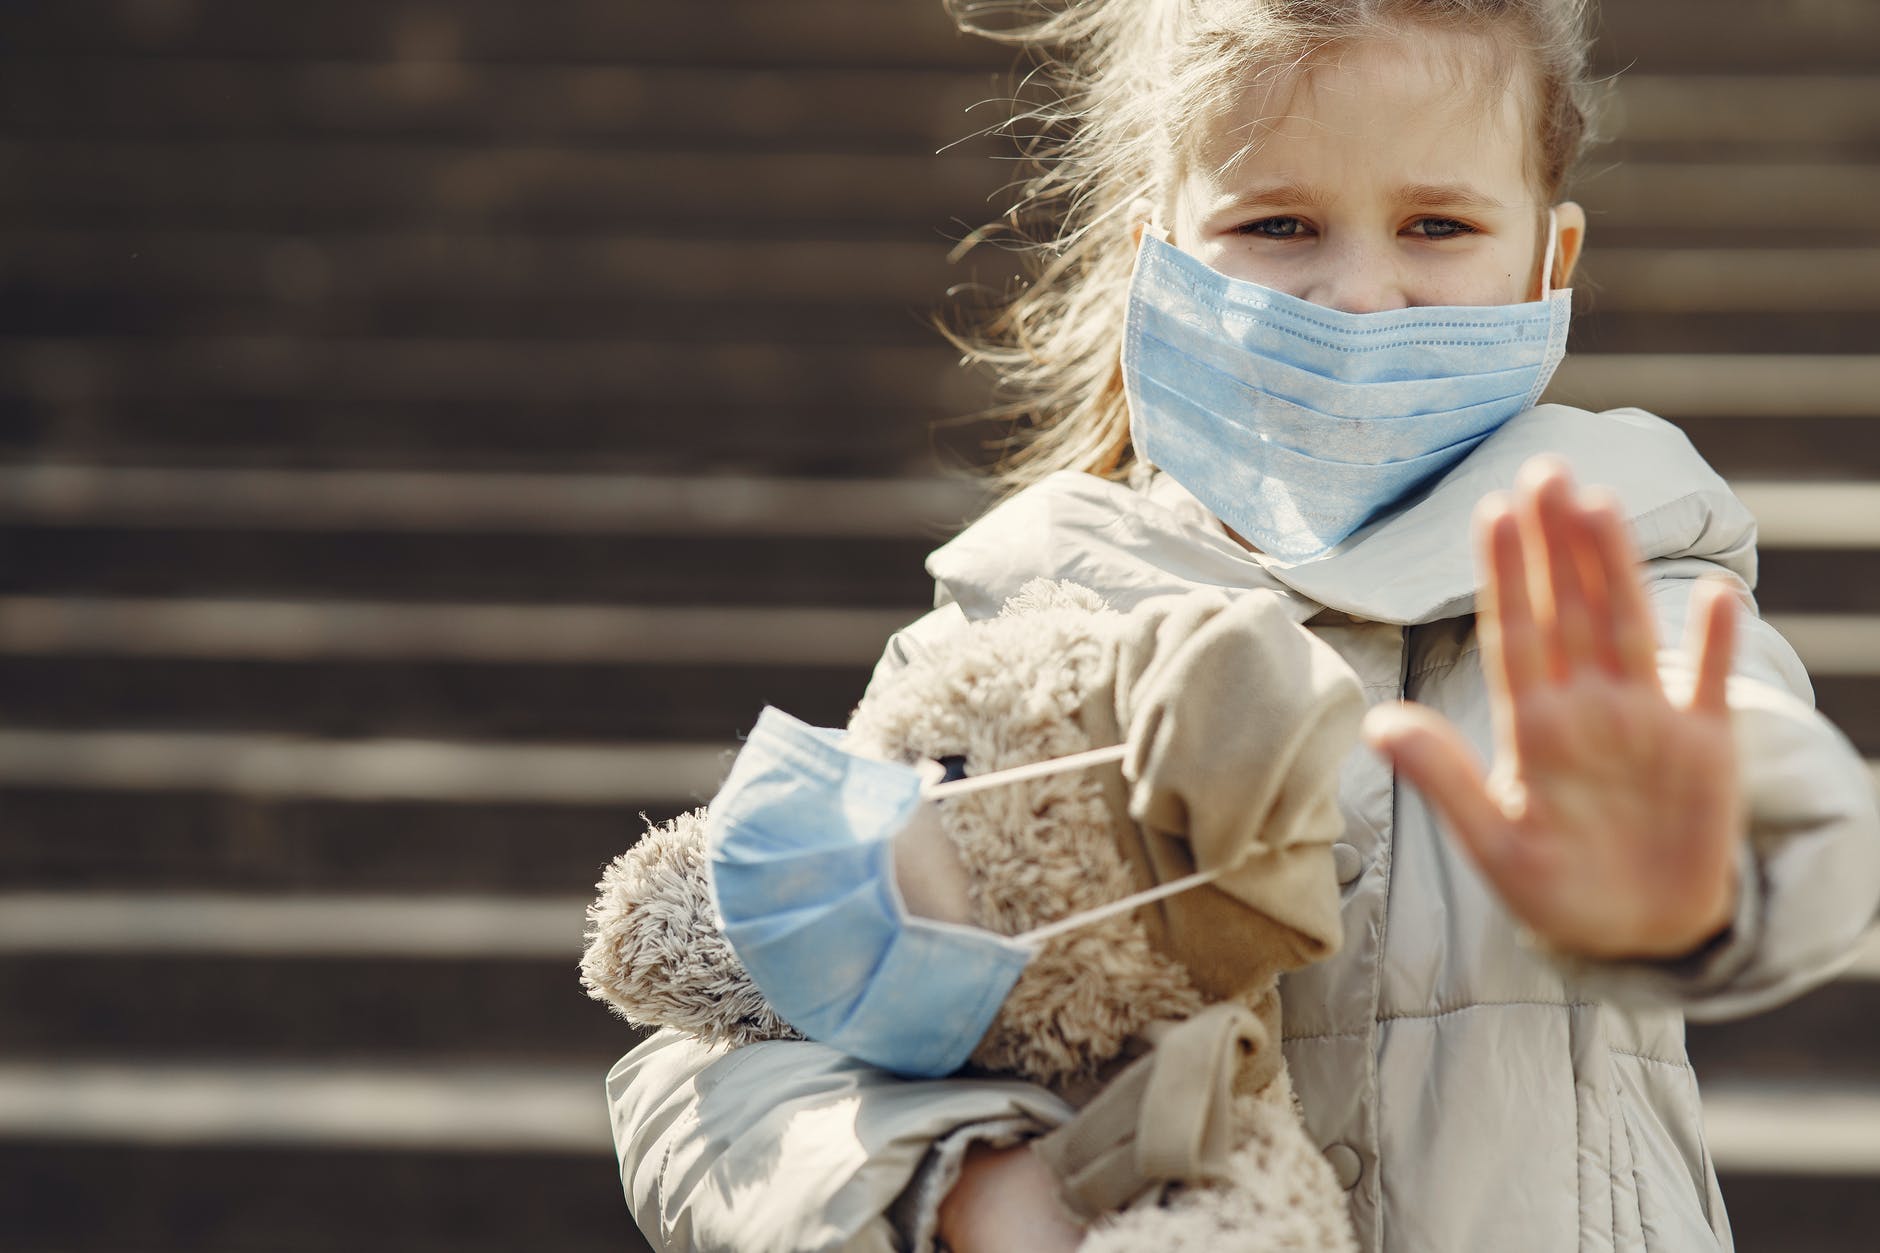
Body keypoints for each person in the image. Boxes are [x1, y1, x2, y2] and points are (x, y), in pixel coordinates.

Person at [604, 2, 1880, 1249]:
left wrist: (1702, 847)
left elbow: (1737, 735)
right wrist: (961, 1188)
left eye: (1436, 224)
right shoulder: (1019, 623)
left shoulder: (1615, 556)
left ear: (1548, 261)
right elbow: (717, 1047)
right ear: (1159, 250)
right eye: (1278, 223)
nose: (1358, 294)